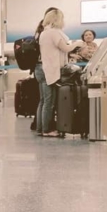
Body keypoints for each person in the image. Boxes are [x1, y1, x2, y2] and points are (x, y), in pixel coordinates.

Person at [36, 8, 83, 138]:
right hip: (50, 70)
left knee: (43, 101)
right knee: (49, 103)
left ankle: (41, 128)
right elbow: (66, 48)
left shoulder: (44, 33)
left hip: (41, 69)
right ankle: (46, 130)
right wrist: (77, 43)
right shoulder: (54, 33)